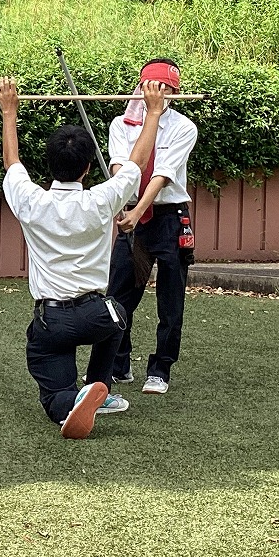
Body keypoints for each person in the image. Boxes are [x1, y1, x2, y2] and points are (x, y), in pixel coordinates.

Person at [0, 75, 165, 439]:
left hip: (52, 322)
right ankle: (97, 387)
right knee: (119, 315)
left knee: (56, 398)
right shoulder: (101, 201)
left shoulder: (31, 200)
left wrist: (9, 112)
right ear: (89, 168)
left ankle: (71, 402)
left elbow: (12, 163)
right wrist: (152, 112)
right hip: (96, 315)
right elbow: (135, 165)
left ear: (48, 165)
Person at [106, 59, 198, 395]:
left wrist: (138, 209)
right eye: (152, 86)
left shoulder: (184, 127)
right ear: (141, 87)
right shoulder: (121, 123)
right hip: (131, 216)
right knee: (117, 295)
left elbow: (162, 175)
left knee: (170, 299)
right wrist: (123, 205)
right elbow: (121, 168)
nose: (158, 93)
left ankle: (160, 369)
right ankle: (119, 360)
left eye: (166, 89)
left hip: (168, 217)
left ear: (175, 92)